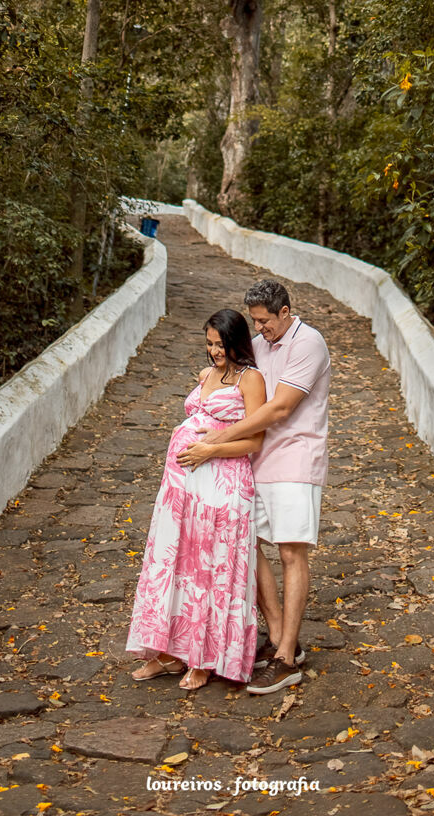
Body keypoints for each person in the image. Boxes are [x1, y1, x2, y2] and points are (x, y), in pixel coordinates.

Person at [178, 277, 330, 695]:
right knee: (249, 544)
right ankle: (282, 636)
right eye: (255, 322)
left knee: (290, 551)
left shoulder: (308, 343)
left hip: (296, 458)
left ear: (285, 312)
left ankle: (284, 661)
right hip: (254, 461)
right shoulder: (261, 344)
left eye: (265, 321)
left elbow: (279, 407)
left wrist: (218, 439)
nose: (260, 329)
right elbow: (236, 375)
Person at [126, 309, 266, 691]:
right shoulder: (206, 375)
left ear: (237, 342)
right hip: (182, 487)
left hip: (222, 485)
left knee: (208, 569)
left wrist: (209, 451)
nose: (214, 351)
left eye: (220, 345)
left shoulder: (251, 380)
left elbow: (254, 441)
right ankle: (169, 652)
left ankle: (204, 658)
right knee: (175, 564)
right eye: (209, 344)